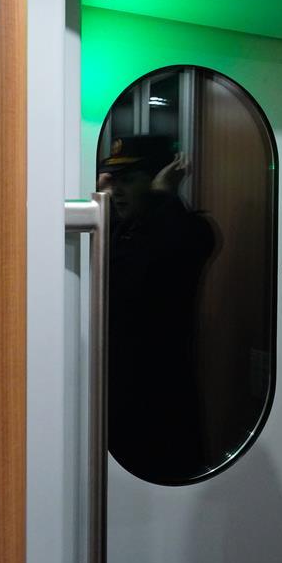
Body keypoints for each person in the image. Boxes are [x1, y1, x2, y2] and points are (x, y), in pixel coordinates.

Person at [98, 135, 216, 481]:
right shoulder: (121, 229)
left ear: (155, 180)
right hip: (113, 391)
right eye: (115, 180)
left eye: (129, 180)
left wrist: (164, 195)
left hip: (159, 398)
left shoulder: (190, 230)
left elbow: (150, 266)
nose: (118, 191)